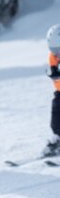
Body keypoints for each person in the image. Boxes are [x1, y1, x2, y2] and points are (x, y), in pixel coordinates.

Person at [42, 24, 60, 157]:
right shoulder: (53, 56)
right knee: (57, 109)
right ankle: (57, 139)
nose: (56, 53)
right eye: (53, 49)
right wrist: (53, 74)